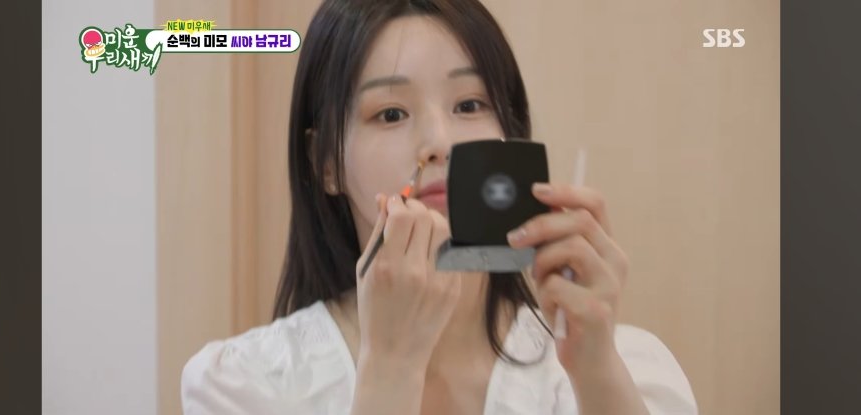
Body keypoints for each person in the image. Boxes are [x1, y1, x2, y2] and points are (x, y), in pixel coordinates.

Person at [181, 0, 697, 413]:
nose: (438, 142)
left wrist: (597, 370)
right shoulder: (244, 384)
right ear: (327, 164)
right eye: (391, 113)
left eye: (469, 105)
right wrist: (390, 371)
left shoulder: (622, 368)